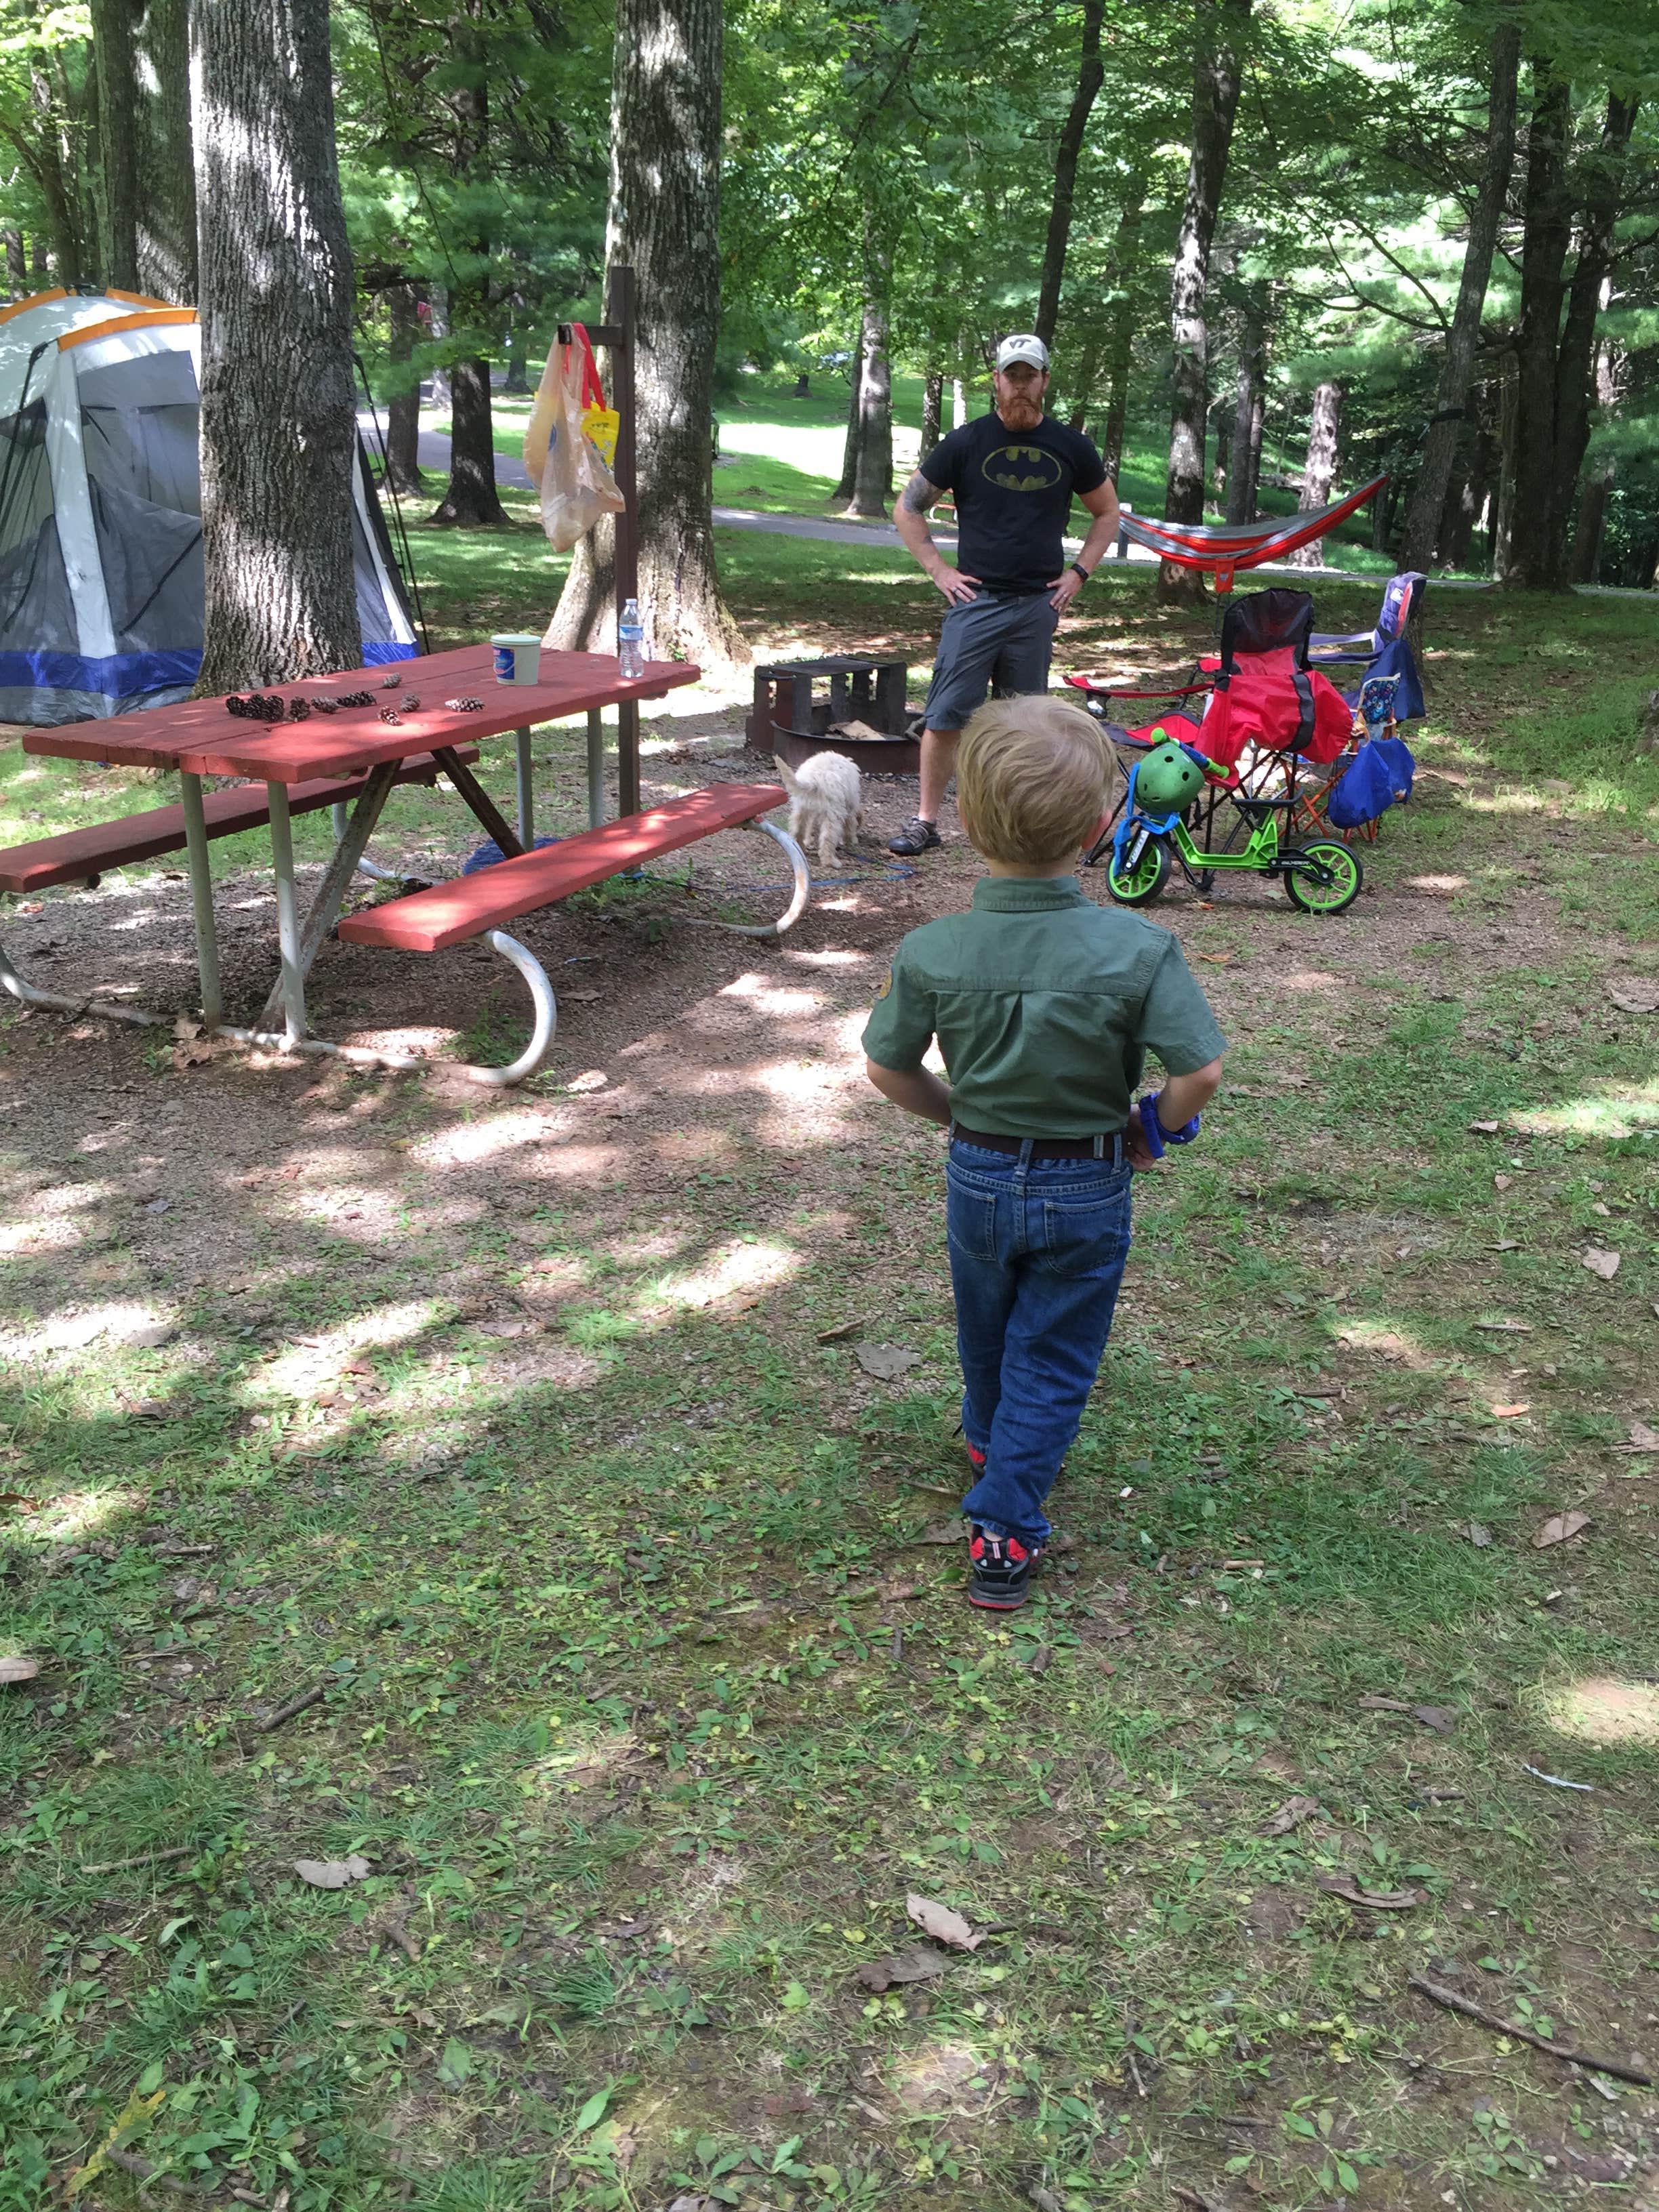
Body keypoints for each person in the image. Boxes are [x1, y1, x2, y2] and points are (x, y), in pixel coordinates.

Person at [861, 697, 1225, 1610]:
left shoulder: (934, 948)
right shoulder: (1138, 948)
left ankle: (992, 1439)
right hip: (1088, 1181)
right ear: (1105, 825)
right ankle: (1005, 1521)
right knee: (1054, 1353)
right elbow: (1201, 1072)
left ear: (970, 819)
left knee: (986, 1322)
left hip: (978, 1174)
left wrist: (954, 1115)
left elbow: (885, 1065)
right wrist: (1157, 1128)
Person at [888, 334, 1121, 858]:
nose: (1021, 386)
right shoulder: (966, 442)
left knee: (1024, 724)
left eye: (1030, 376)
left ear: (1044, 382)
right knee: (947, 713)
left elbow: (1108, 512)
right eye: (1011, 376)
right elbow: (908, 508)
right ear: (996, 380)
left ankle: (1018, 821)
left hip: (1037, 607)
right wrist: (938, 570)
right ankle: (926, 820)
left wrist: (1079, 573)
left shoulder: (1071, 446)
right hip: (976, 602)